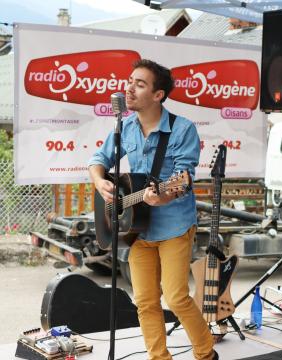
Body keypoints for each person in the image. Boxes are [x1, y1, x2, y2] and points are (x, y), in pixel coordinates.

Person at [88, 59, 217, 360]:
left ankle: (206, 352)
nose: (129, 87)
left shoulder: (182, 129)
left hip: (173, 225)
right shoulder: (124, 127)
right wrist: (99, 181)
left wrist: (164, 196)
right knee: (145, 301)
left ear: (158, 95)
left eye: (140, 84)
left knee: (176, 297)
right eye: (130, 80)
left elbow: (182, 180)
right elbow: (99, 159)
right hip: (137, 229)